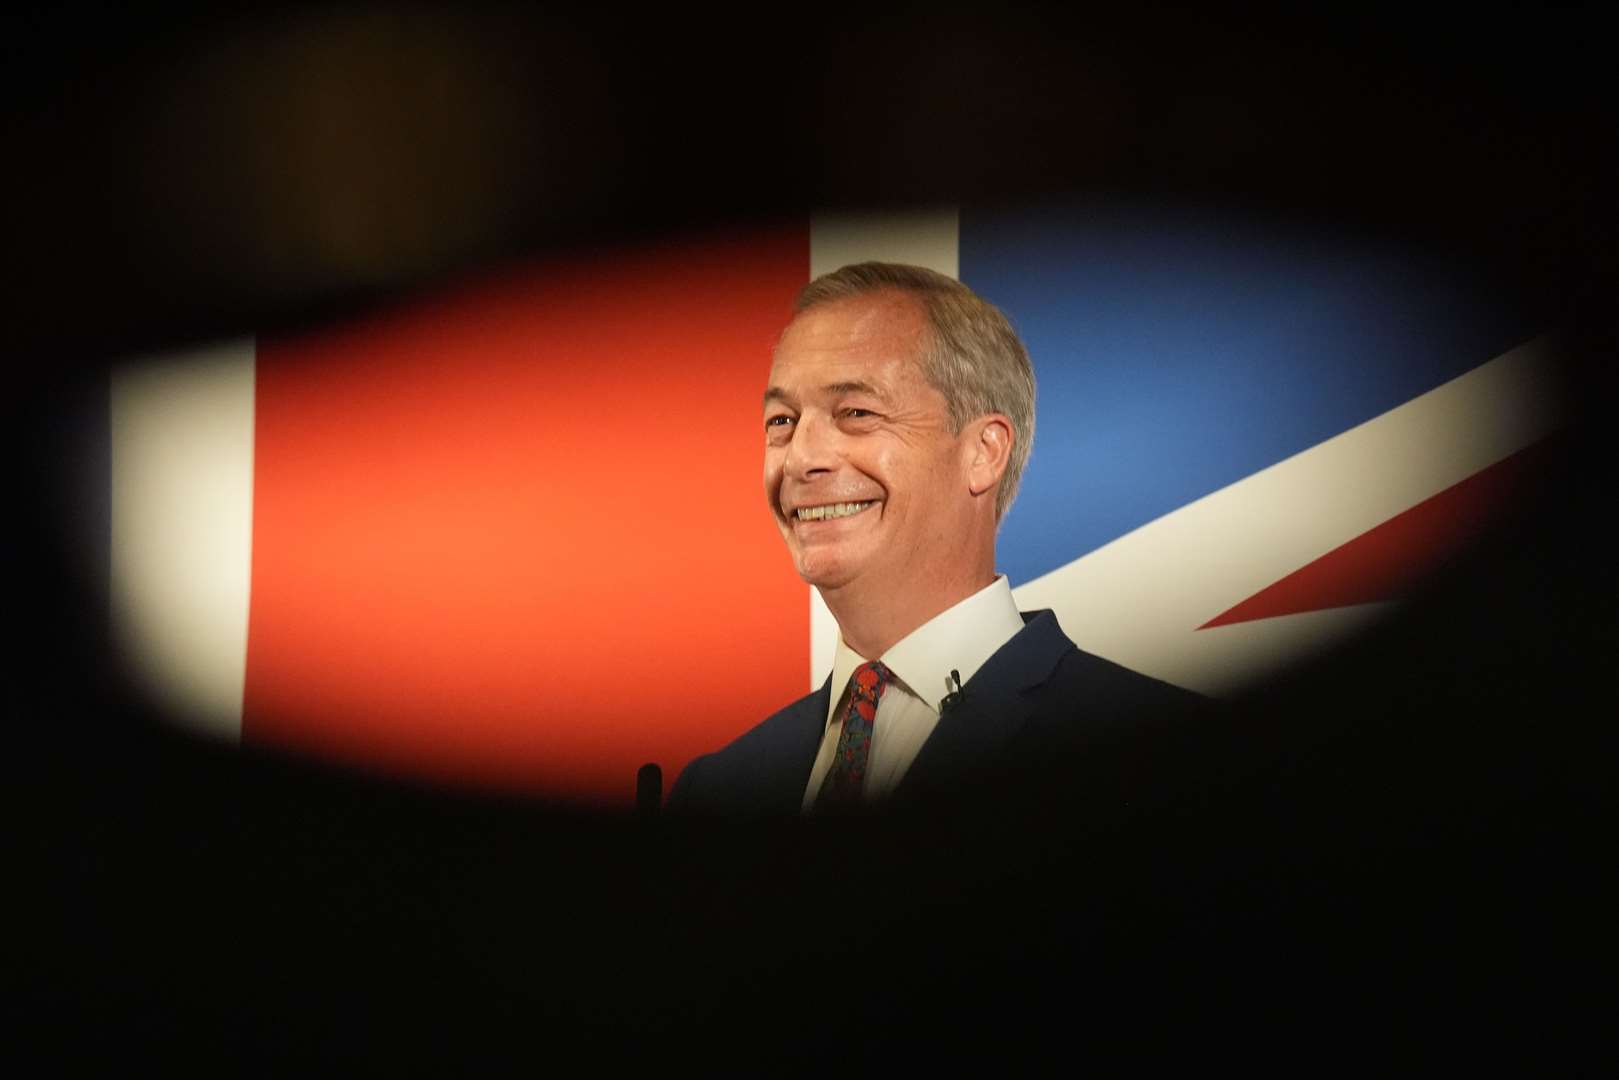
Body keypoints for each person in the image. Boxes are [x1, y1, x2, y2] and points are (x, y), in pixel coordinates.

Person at [668, 262, 1200, 815]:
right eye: (781, 421)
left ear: (984, 452)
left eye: (856, 412)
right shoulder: (716, 790)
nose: (800, 459)